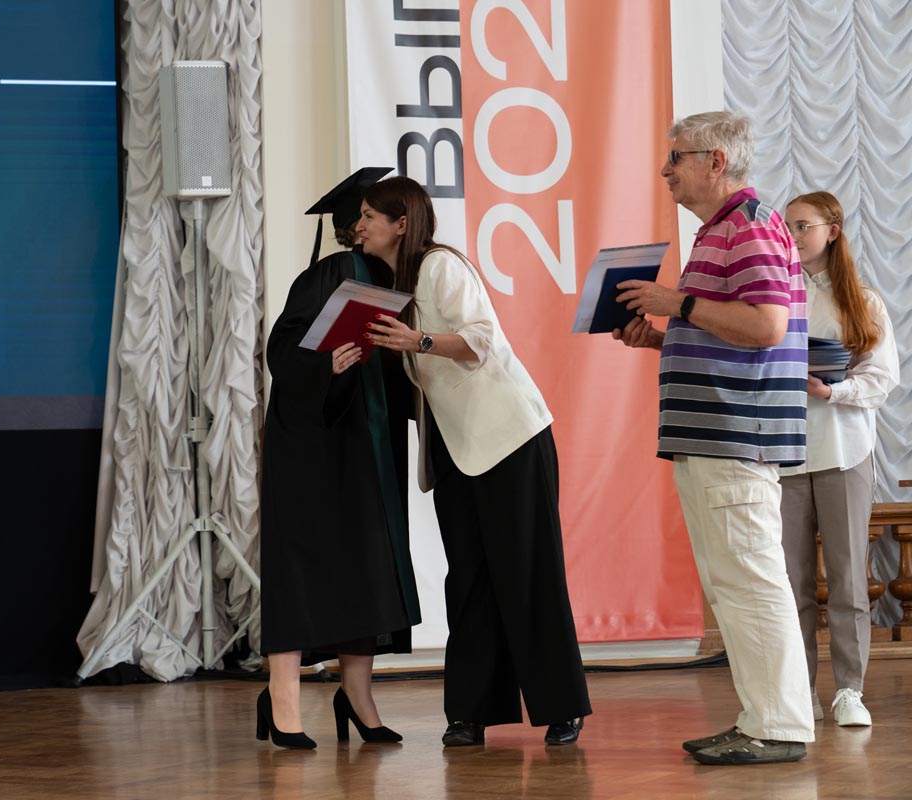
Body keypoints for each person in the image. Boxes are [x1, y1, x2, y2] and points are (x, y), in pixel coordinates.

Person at [613, 110, 815, 765]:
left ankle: (779, 726)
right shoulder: (721, 230)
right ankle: (761, 718)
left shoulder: (749, 226)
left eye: (677, 157)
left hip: (735, 435)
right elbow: (734, 332)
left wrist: (678, 305)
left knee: (751, 581)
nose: (665, 169)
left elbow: (766, 327)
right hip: (715, 435)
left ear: (716, 162)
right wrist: (664, 339)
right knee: (732, 585)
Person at [364, 176, 591, 748]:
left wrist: (417, 341)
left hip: (510, 438)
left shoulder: (440, 266)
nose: (358, 226)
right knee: (467, 578)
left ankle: (562, 706)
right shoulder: (392, 285)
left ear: (401, 224)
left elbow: (480, 340)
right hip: (455, 447)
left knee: (529, 573)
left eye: (368, 216)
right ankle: (470, 712)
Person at [257, 167, 419, 749]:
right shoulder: (329, 272)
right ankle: (281, 699)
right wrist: (324, 364)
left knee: (365, 563)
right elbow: (282, 348)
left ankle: (357, 695)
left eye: (373, 218)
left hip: (368, 440)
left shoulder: (403, 278)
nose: (363, 228)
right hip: (313, 441)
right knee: (300, 565)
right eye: (362, 218)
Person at [779, 191, 899, 727]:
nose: (793, 236)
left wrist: (832, 391)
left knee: (849, 579)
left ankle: (849, 690)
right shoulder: (774, 298)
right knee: (791, 583)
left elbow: (882, 378)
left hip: (844, 451)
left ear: (832, 230)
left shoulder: (862, 300)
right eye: (787, 227)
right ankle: (798, 691)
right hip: (784, 454)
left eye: (802, 226)